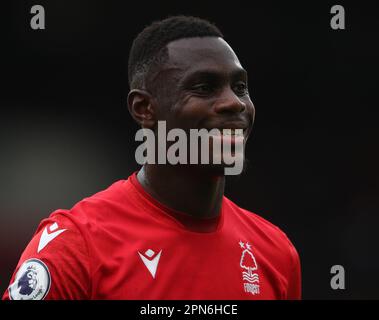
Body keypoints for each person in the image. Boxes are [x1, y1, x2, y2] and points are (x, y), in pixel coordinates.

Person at [3, 16, 301, 300]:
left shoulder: (275, 253)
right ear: (144, 108)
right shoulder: (77, 246)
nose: (234, 103)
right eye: (204, 87)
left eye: (240, 87)